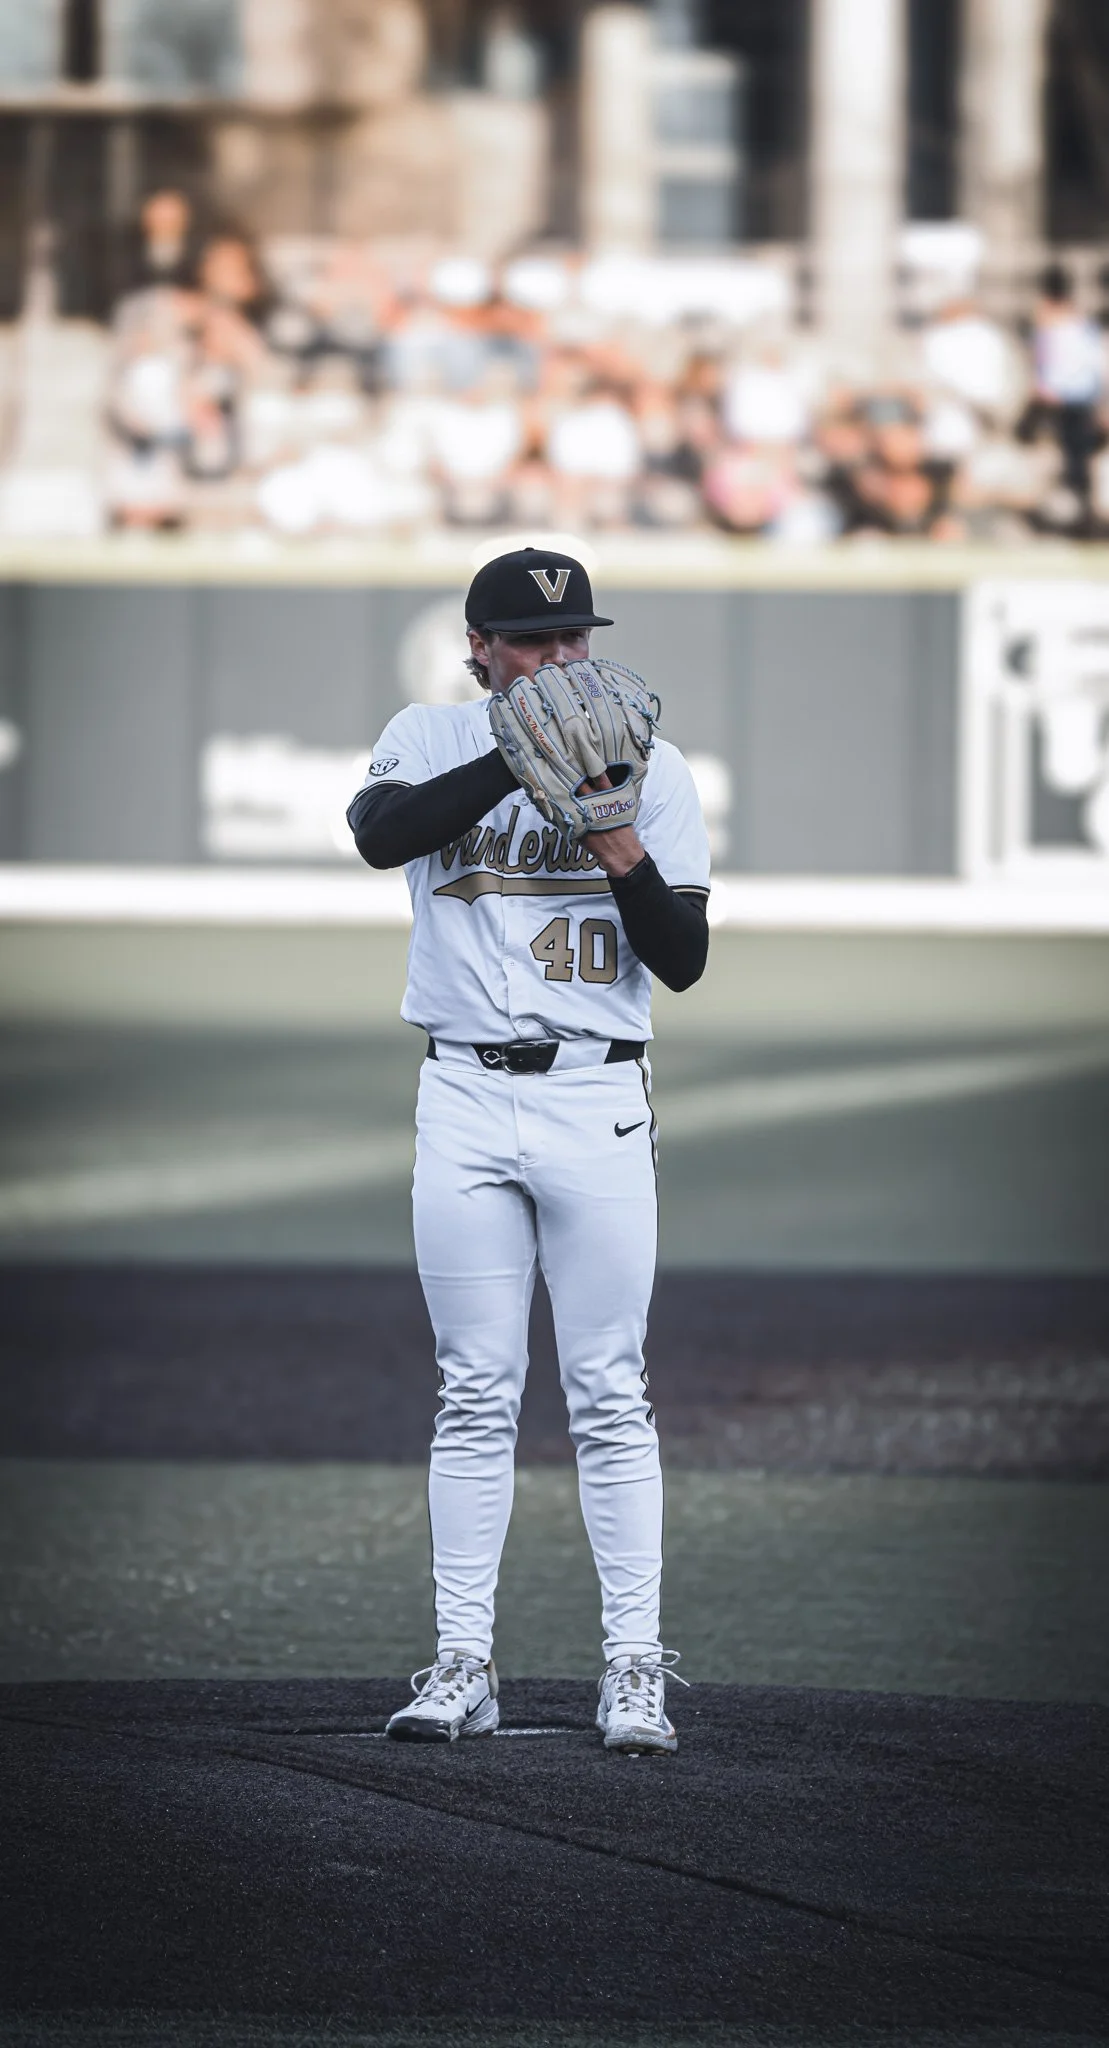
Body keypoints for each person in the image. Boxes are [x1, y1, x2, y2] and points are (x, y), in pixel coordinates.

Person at [347, 547, 711, 1753]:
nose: (563, 662)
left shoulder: (651, 766)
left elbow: (681, 955)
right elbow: (381, 835)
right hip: (459, 1095)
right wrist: (519, 750)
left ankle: (634, 1666)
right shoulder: (426, 729)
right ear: (479, 647)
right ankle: (461, 1660)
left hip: (595, 1103)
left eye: (575, 641)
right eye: (534, 643)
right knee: (473, 1389)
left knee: (609, 1391)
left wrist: (612, 829)